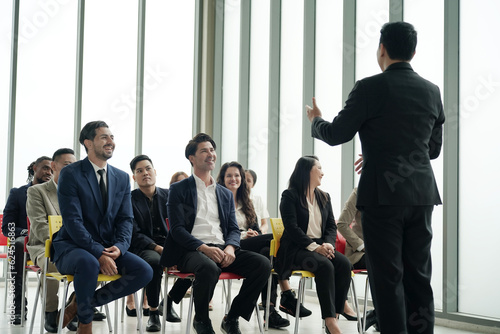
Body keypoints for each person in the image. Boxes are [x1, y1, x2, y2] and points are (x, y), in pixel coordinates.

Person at [306, 22, 444, 334]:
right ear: (413, 51)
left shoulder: (368, 87)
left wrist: (315, 121)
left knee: (387, 278)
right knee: (419, 276)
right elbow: (431, 150)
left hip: (382, 197)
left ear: (381, 49)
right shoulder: (432, 91)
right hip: (422, 196)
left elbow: (336, 133)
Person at [160, 133, 271, 334]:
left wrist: (230, 247)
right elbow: (176, 230)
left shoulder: (224, 193)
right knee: (209, 268)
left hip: (221, 247)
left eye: (212, 150)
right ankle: (201, 319)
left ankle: (232, 317)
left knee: (262, 264)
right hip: (191, 249)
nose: (211, 154)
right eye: (204, 150)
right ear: (192, 158)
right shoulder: (178, 189)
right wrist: (203, 248)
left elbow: (233, 229)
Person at [52, 121, 153, 334]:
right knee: (88, 262)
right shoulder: (71, 174)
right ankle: (85, 323)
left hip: (109, 246)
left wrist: (120, 247)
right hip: (72, 246)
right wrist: (98, 252)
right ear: (88, 143)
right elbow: (72, 222)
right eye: (104, 137)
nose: (111, 142)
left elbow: (126, 219)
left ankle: (81, 304)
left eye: (112, 137)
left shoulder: (122, 177)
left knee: (143, 270)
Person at [276, 155, 351, 334]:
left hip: (321, 245)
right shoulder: (290, 195)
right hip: (297, 247)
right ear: (307, 171)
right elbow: (292, 228)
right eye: (319, 168)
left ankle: (336, 314)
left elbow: (331, 226)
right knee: (324, 265)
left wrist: (328, 244)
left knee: (344, 264)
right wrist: (315, 247)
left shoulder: (324, 197)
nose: (322, 173)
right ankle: (330, 321)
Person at [216, 162, 292, 329]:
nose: (233, 179)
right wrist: (244, 235)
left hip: (247, 246)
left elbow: (256, 227)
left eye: (237, 175)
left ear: (242, 179)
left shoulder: (246, 201)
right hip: (226, 245)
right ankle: (285, 292)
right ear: (222, 179)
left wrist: (253, 233)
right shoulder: (217, 199)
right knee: (273, 239)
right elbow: (217, 230)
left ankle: (269, 310)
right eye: (229, 175)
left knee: (266, 253)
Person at [129, 154, 190, 331]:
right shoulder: (128, 199)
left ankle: (169, 301)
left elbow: (181, 224)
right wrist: (156, 247)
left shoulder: (169, 195)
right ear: (134, 177)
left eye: (148, 169)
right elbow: (133, 233)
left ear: (155, 172)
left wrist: (172, 247)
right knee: (154, 262)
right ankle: (154, 312)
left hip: (170, 242)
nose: (145, 173)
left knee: (200, 259)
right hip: (144, 246)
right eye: (139, 171)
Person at [2, 156, 52, 325]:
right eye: (45, 168)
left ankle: (75, 306)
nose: (49, 173)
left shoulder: (57, 194)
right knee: (16, 245)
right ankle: (18, 306)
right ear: (34, 168)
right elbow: (7, 227)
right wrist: (28, 233)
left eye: (52, 169)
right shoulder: (17, 193)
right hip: (25, 242)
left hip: (50, 241)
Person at [337, 187, 378, 331]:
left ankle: (378, 314)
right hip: (360, 253)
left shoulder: (393, 192)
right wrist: (362, 246)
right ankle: (381, 314)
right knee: (381, 265)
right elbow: (342, 224)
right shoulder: (359, 192)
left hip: (384, 252)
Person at [244, 169, 270, 234]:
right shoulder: (235, 199)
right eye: (243, 179)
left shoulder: (258, 199)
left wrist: (260, 231)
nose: (245, 183)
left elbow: (265, 224)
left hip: (256, 233)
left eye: (249, 181)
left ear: (253, 185)